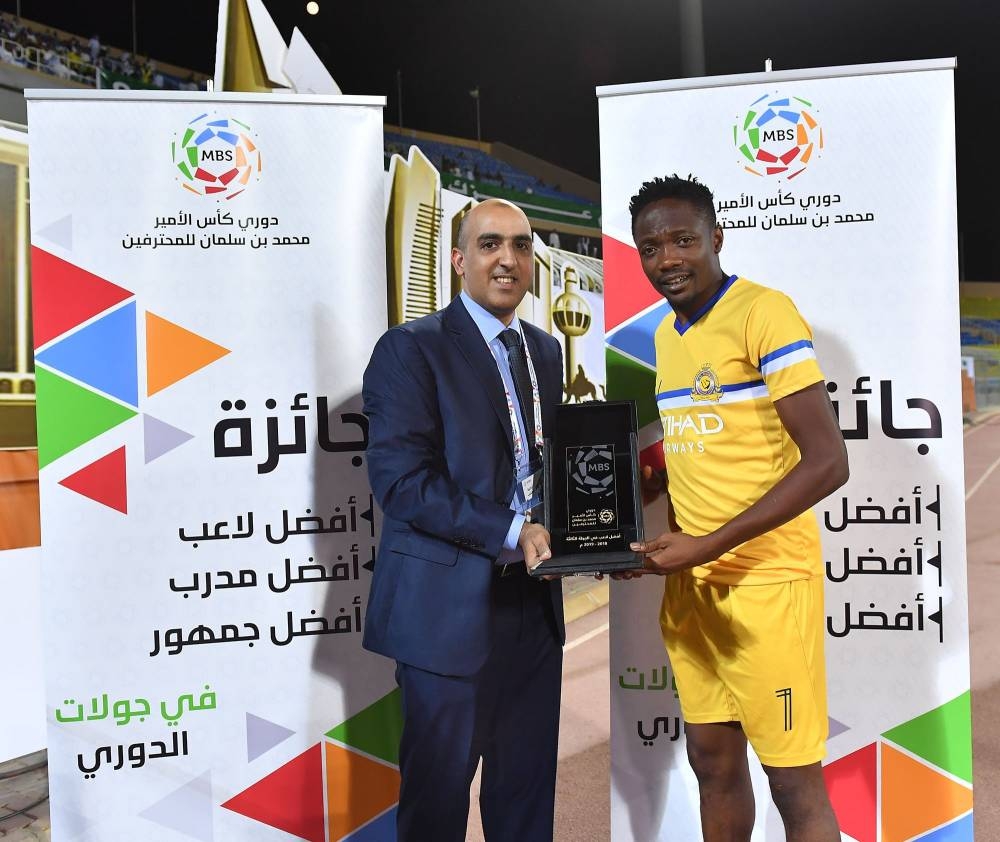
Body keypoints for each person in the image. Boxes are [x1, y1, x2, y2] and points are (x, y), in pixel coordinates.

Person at [625, 174, 848, 842]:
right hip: (694, 592)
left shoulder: (764, 312)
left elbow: (828, 461)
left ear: (715, 238)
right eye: (650, 246)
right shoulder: (667, 334)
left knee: (792, 782)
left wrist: (709, 543)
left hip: (766, 586)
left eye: (682, 240)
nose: (666, 258)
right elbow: (707, 433)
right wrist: (644, 480)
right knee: (712, 764)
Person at [362, 198, 565, 841]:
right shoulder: (409, 350)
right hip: (444, 614)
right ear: (458, 260)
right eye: (489, 245)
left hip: (533, 608)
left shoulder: (544, 350)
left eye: (521, 245)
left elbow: (541, 464)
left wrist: (595, 528)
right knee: (437, 806)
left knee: (526, 798)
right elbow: (403, 483)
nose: (508, 259)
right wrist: (514, 530)